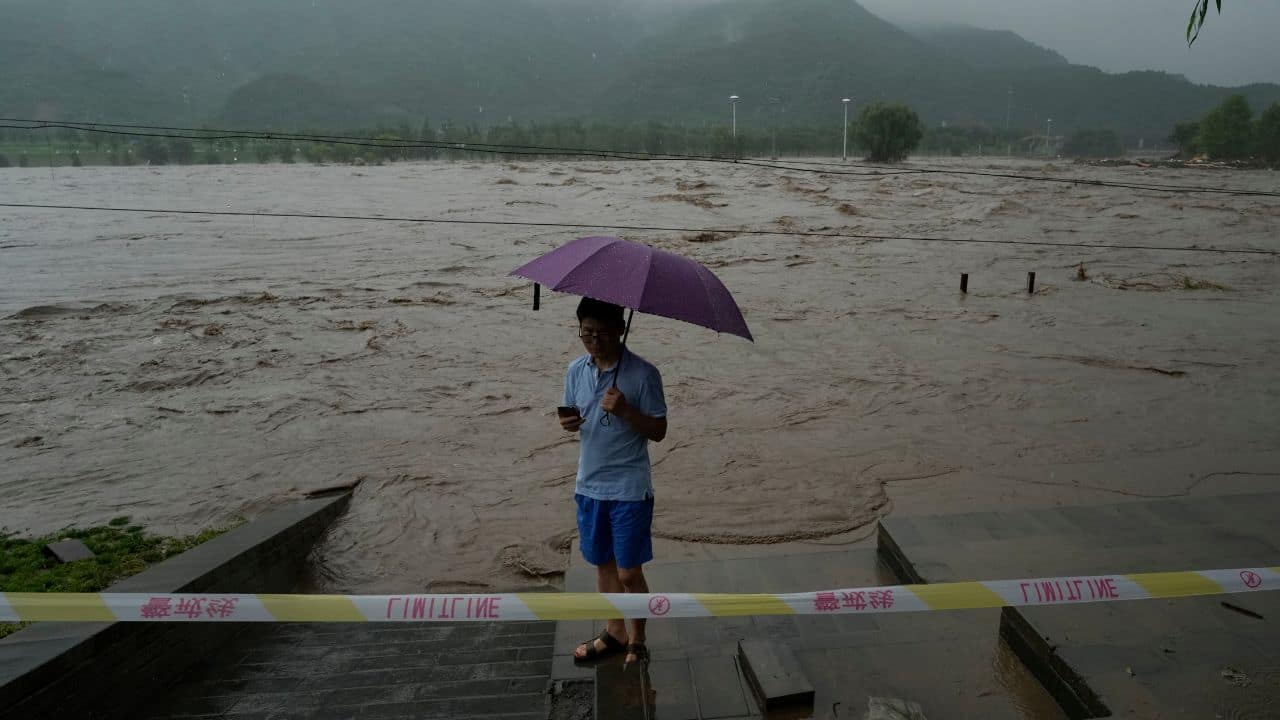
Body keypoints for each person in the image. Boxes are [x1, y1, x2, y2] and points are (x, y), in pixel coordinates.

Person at [559, 297, 667, 668]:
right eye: (586, 333)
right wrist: (568, 423)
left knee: (628, 571)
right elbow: (574, 413)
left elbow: (659, 431)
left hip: (629, 489)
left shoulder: (644, 374)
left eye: (602, 334)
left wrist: (625, 410)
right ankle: (614, 632)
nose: (594, 341)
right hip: (588, 484)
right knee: (603, 565)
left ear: (620, 329)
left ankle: (638, 639)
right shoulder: (575, 370)